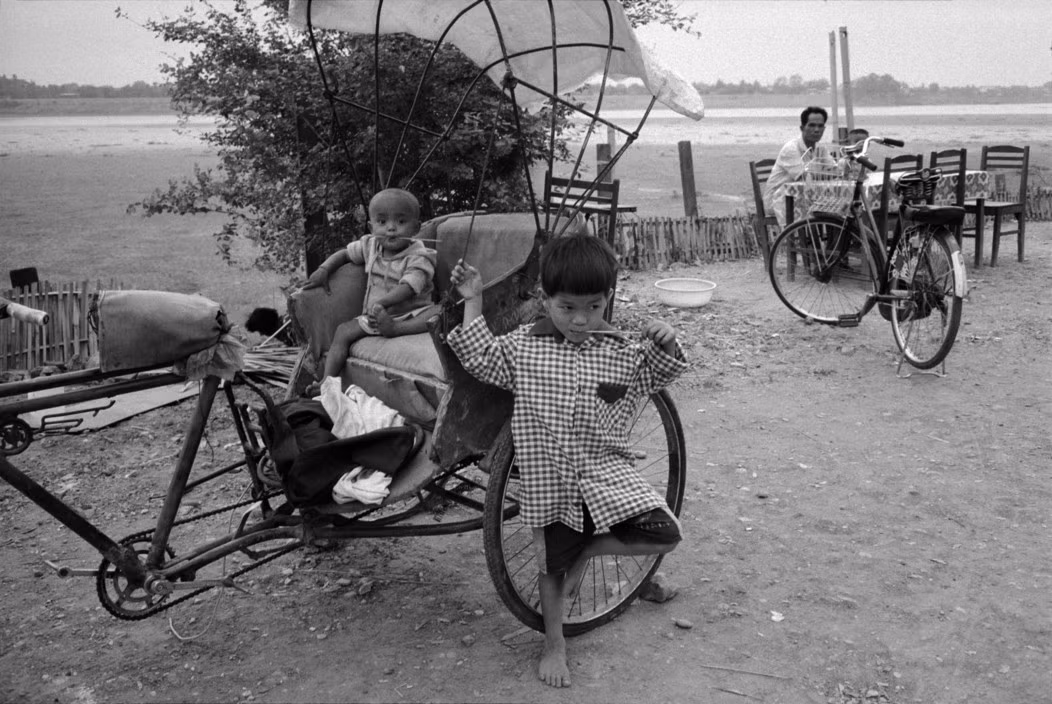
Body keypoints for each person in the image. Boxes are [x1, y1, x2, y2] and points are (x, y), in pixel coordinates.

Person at [446, 234, 689, 688]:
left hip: (604, 474)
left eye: (594, 308)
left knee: (667, 533)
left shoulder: (621, 353)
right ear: (545, 300)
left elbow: (661, 371)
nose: (581, 320)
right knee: (551, 569)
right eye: (567, 308)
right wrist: (472, 301)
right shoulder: (524, 349)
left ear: (609, 300)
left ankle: (592, 545)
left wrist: (666, 339)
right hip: (550, 483)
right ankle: (554, 642)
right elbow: (479, 357)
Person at [301, 188, 439, 381]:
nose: (391, 228)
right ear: (371, 226)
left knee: (440, 312)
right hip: (375, 316)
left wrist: (382, 303)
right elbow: (345, 254)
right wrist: (324, 270)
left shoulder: (420, 256)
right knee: (343, 331)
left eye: (401, 221)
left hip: (411, 314)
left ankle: (396, 329)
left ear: (416, 228)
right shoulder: (371, 245)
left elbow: (409, 287)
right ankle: (327, 382)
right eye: (382, 222)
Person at [763, 106, 835, 227]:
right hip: (780, 200)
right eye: (811, 125)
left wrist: (843, 167)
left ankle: (830, 243)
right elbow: (805, 177)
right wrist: (834, 173)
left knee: (839, 208)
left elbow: (833, 168)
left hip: (806, 197)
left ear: (824, 128)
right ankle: (799, 244)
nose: (816, 130)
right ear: (802, 128)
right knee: (826, 209)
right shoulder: (791, 149)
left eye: (820, 126)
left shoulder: (821, 148)